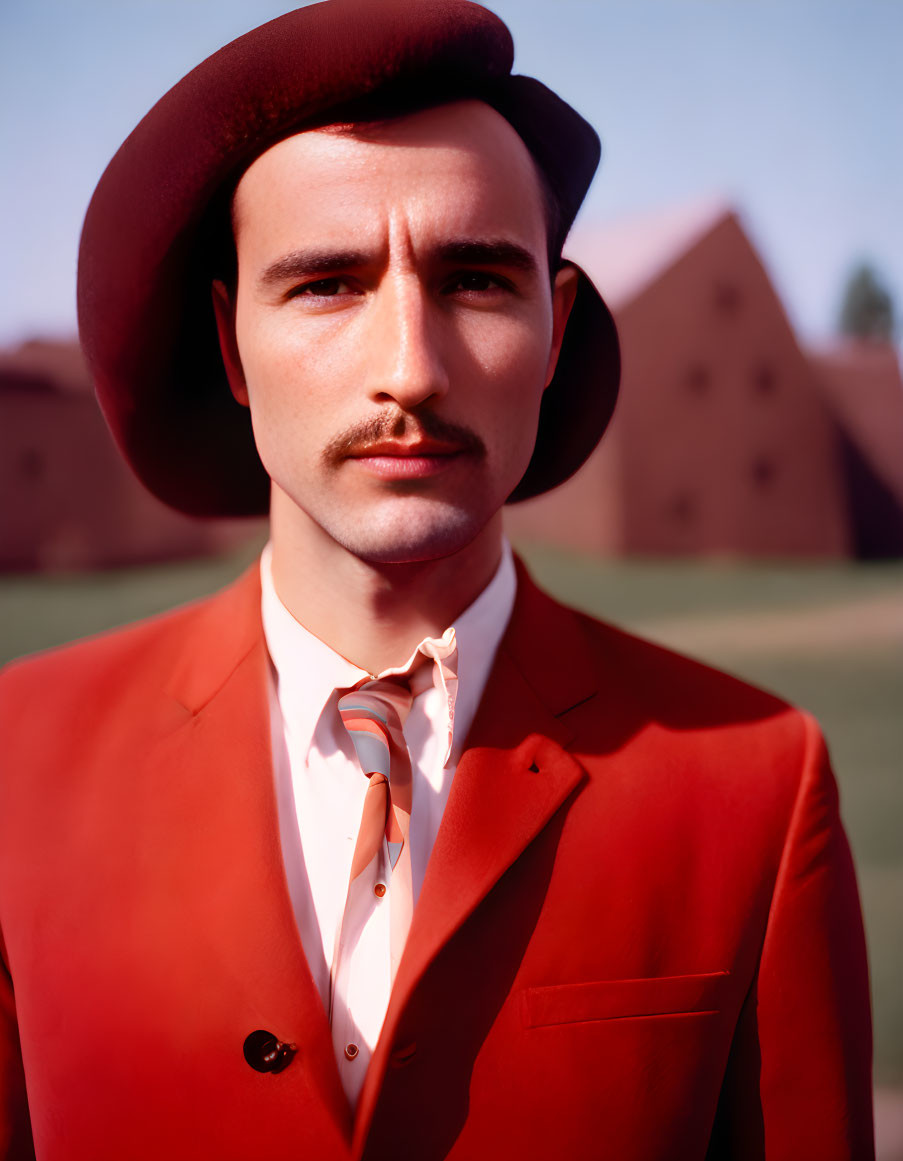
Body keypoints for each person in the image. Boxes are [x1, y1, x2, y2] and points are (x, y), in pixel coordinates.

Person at [0, 2, 874, 1158]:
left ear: (556, 331)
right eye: (327, 284)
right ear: (230, 348)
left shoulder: (755, 785)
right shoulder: (18, 760)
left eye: (475, 280)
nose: (410, 367)